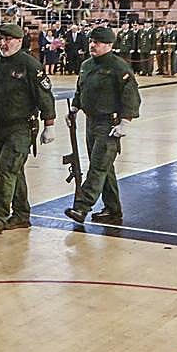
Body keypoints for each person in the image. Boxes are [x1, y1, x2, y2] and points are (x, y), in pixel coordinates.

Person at [0, 23, 56, 235]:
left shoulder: (30, 65)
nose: (3, 43)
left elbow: (44, 96)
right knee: (15, 171)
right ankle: (21, 214)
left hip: (21, 127)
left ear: (19, 41)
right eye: (0, 39)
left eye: (8, 39)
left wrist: (49, 124)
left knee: (6, 171)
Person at [63, 26, 141, 225]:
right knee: (105, 168)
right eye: (91, 41)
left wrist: (125, 122)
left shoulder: (119, 67)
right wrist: (74, 107)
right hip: (91, 122)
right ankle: (113, 209)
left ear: (109, 45)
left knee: (97, 167)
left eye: (97, 43)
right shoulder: (87, 65)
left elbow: (131, 96)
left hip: (109, 124)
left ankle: (82, 208)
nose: (92, 45)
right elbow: (82, 89)